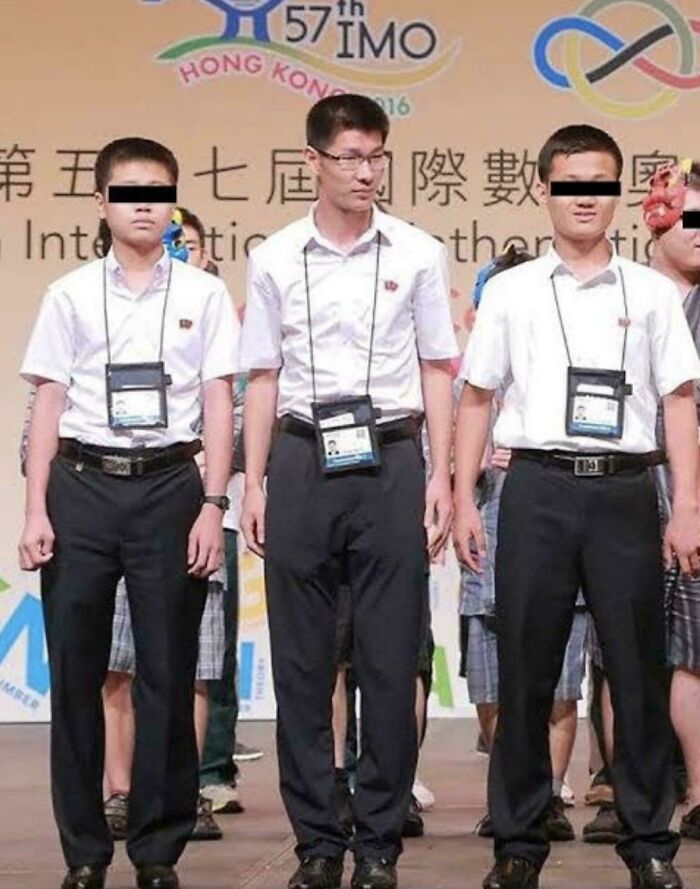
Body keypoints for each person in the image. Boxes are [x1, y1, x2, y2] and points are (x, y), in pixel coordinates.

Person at [453, 124, 700, 889]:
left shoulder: (652, 292)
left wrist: (685, 503)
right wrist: (463, 495)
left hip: (627, 490)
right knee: (529, 671)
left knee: (636, 671)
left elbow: (680, 401)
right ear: (543, 191)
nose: (584, 197)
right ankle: (518, 844)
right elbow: (477, 397)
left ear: (618, 192)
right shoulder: (514, 291)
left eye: (599, 182)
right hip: (536, 489)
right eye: (570, 183)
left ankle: (651, 843)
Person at [240, 94, 457, 889]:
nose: (367, 173)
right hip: (300, 459)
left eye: (377, 156)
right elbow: (261, 375)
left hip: (393, 458)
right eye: (352, 157)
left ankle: (377, 845)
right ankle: (318, 845)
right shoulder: (274, 257)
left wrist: (441, 473)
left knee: (392, 657)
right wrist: (253, 480)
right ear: (315, 163)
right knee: (301, 662)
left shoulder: (419, 252)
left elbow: (439, 366)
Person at [18, 137, 238, 889]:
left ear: (173, 202)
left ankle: (156, 848)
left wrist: (215, 502)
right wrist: (34, 507)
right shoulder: (70, 293)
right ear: (101, 204)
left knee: (168, 675)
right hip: (81, 484)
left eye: (157, 191)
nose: (143, 204)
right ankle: (83, 848)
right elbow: (47, 400)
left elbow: (217, 403)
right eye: (126, 192)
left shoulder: (203, 294)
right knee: (77, 674)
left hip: (171, 487)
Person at [100, 206, 232, 845]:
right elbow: (38, 432)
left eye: (191, 243)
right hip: (109, 508)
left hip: (191, 509)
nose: (180, 250)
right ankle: (121, 790)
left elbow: (236, 413)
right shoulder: (100, 315)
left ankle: (185, 787)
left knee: (192, 664)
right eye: (174, 241)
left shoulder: (214, 318)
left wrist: (211, 468)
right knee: (117, 663)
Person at [458, 248, 585, 844]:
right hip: (490, 524)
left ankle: (552, 794)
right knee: (491, 671)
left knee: (561, 673)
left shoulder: (567, 363)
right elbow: (447, 452)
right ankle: (510, 788)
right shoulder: (471, 381)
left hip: (559, 518)